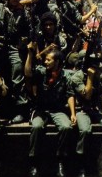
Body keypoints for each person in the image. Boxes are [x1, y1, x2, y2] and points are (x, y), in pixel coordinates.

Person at [24, 47, 75, 177]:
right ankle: (33, 162)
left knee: (66, 127)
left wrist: (73, 113)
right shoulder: (41, 72)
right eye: (45, 59)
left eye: (48, 60)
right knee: (36, 127)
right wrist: (30, 54)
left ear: (57, 62)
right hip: (41, 109)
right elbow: (28, 74)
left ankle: (60, 161)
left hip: (57, 109)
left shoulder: (65, 76)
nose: (45, 62)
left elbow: (70, 95)